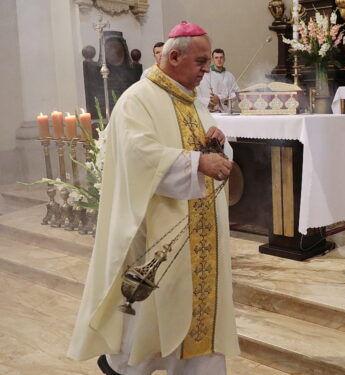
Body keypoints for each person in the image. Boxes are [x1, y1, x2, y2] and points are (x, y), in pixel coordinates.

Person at [68, 21, 239, 375]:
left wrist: (217, 145)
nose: (207, 70)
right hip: (159, 228)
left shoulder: (193, 101)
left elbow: (212, 153)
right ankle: (123, 365)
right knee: (156, 307)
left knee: (195, 309)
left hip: (200, 233)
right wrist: (197, 162)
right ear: (174, 57)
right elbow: (139, 156)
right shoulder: (137, 100)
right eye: (201, 62)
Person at [197, 48, 239, 113]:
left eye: (221, 58)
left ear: (224, 59)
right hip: (208, 112)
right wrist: (209, 101)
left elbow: (236, 93)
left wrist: (220, 98)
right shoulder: (205, 75)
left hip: (225, 112)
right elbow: (197, 95)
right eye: (216, 58)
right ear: (213, 60)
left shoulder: (229, 76)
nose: (219, 60)